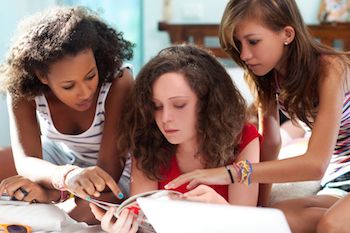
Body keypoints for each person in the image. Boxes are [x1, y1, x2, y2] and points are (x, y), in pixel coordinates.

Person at [165, 1, 350, 232]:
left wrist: (230, 174)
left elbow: (315, 164)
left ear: (287, 34)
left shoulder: (332, 69)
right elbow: (271, 142)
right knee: (276, 219)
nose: (244, 54)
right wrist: (258, 207)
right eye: (238, 44)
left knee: (332, 225)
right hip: (340, 177)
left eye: (253, 41)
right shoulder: (267, 78)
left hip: (329, 170)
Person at [90, 44, 261, 232]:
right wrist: (123, 227)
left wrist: (221, 209)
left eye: (179, 105)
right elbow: (143, 221)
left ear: (209, 103)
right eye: (156, 106)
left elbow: (246, 225)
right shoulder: (147, 139)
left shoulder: (243, 139)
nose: (165, 119)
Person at [0, 6, 134, 224]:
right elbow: (26, 161)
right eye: (69, 86)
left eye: (90, 76)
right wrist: (66, 176)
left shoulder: (118, 81)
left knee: (78, 216)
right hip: (61, 160)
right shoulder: (23, 91)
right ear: (42, 76)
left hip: (113, 173)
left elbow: (108, 172)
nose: (85, 92)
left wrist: (54, 193)